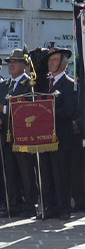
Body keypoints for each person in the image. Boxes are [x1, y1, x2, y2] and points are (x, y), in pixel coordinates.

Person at [38, 47, 79, 220]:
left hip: (61, 136)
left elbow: (69, 111)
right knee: (46, 172)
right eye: (49, 60)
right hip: (44, 135)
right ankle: (50, 206)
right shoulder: (43, 84)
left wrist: (48, 111)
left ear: (63, 63)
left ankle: (64, 207)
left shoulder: (70, 84)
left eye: (54, 60)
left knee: (61, 172)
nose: (50, 63)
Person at [0, 48, 37, 218]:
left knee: (26, 171)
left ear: (24, 65)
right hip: (7, 135)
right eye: (10, 62)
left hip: (23, 135)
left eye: (15, 62)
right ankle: (13, 204)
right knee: (10, 171)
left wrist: (4, 109)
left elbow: (28, 109)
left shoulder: (29, 84)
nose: (11, 65)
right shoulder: (5, 85)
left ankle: (30, 205)